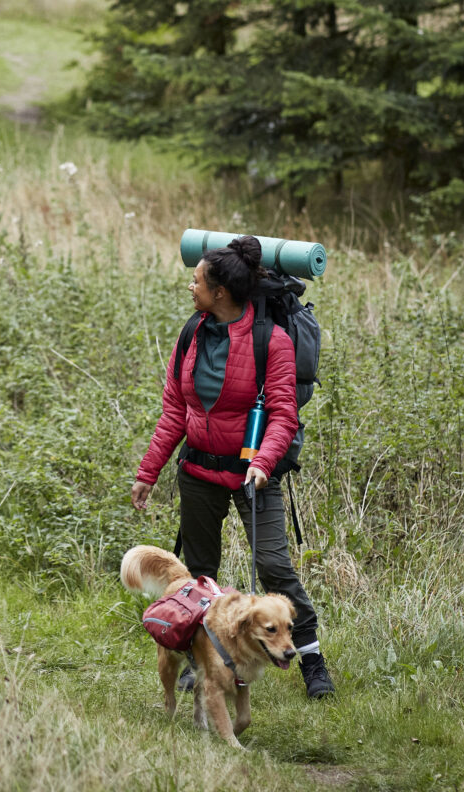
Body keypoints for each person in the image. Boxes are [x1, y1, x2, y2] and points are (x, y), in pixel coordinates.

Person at [130, 236, 334, 698]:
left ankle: (312, 659)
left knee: (274, 569)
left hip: (252, 474)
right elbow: (174, 412)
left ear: (220, 291)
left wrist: (263, 462)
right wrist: (148, 472)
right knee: (201, 573)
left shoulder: (272, 341)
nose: (191, 286)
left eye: (197, 280)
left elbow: (284, 415)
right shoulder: (191, 332)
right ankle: (200, 664)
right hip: (198, 471)